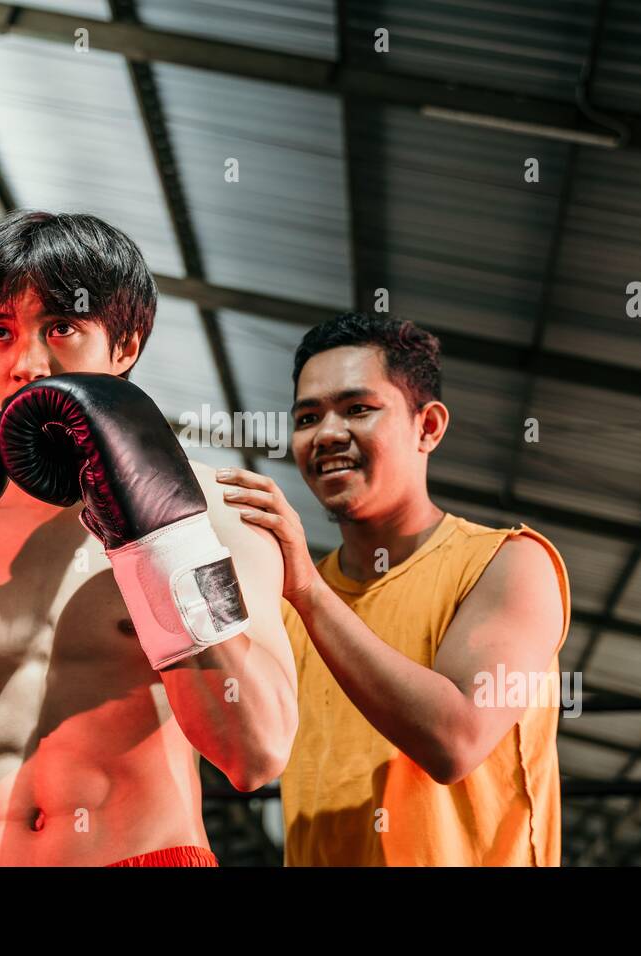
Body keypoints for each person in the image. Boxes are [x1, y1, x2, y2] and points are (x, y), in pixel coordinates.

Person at [0, 211, 296, 866]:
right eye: (0, 332)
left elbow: (258, 753)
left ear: (124, 345)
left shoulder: (217, 506)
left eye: (61, 327)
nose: (26, 362)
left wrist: (160, 534)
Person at [217, 313, 570, 865]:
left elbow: (455, 741)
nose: (328, 433)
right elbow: (234, 750)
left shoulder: (509, 563)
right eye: (308, 416)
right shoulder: (283, 604)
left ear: (427, 426)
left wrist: (306, 588)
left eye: (358, 408)